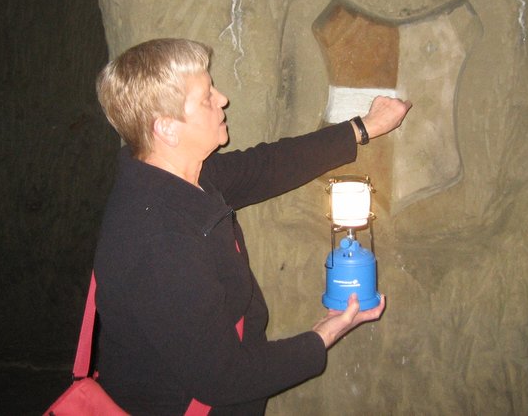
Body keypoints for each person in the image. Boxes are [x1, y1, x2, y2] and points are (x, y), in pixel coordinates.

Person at [93, 38, 411, 415]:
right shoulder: (160, 240)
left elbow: (268, 166)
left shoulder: (179, 177)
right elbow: (224, 378)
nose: (222, 99)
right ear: (167, 129)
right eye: (206, 97)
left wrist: (363, 127)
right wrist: (326, 332)